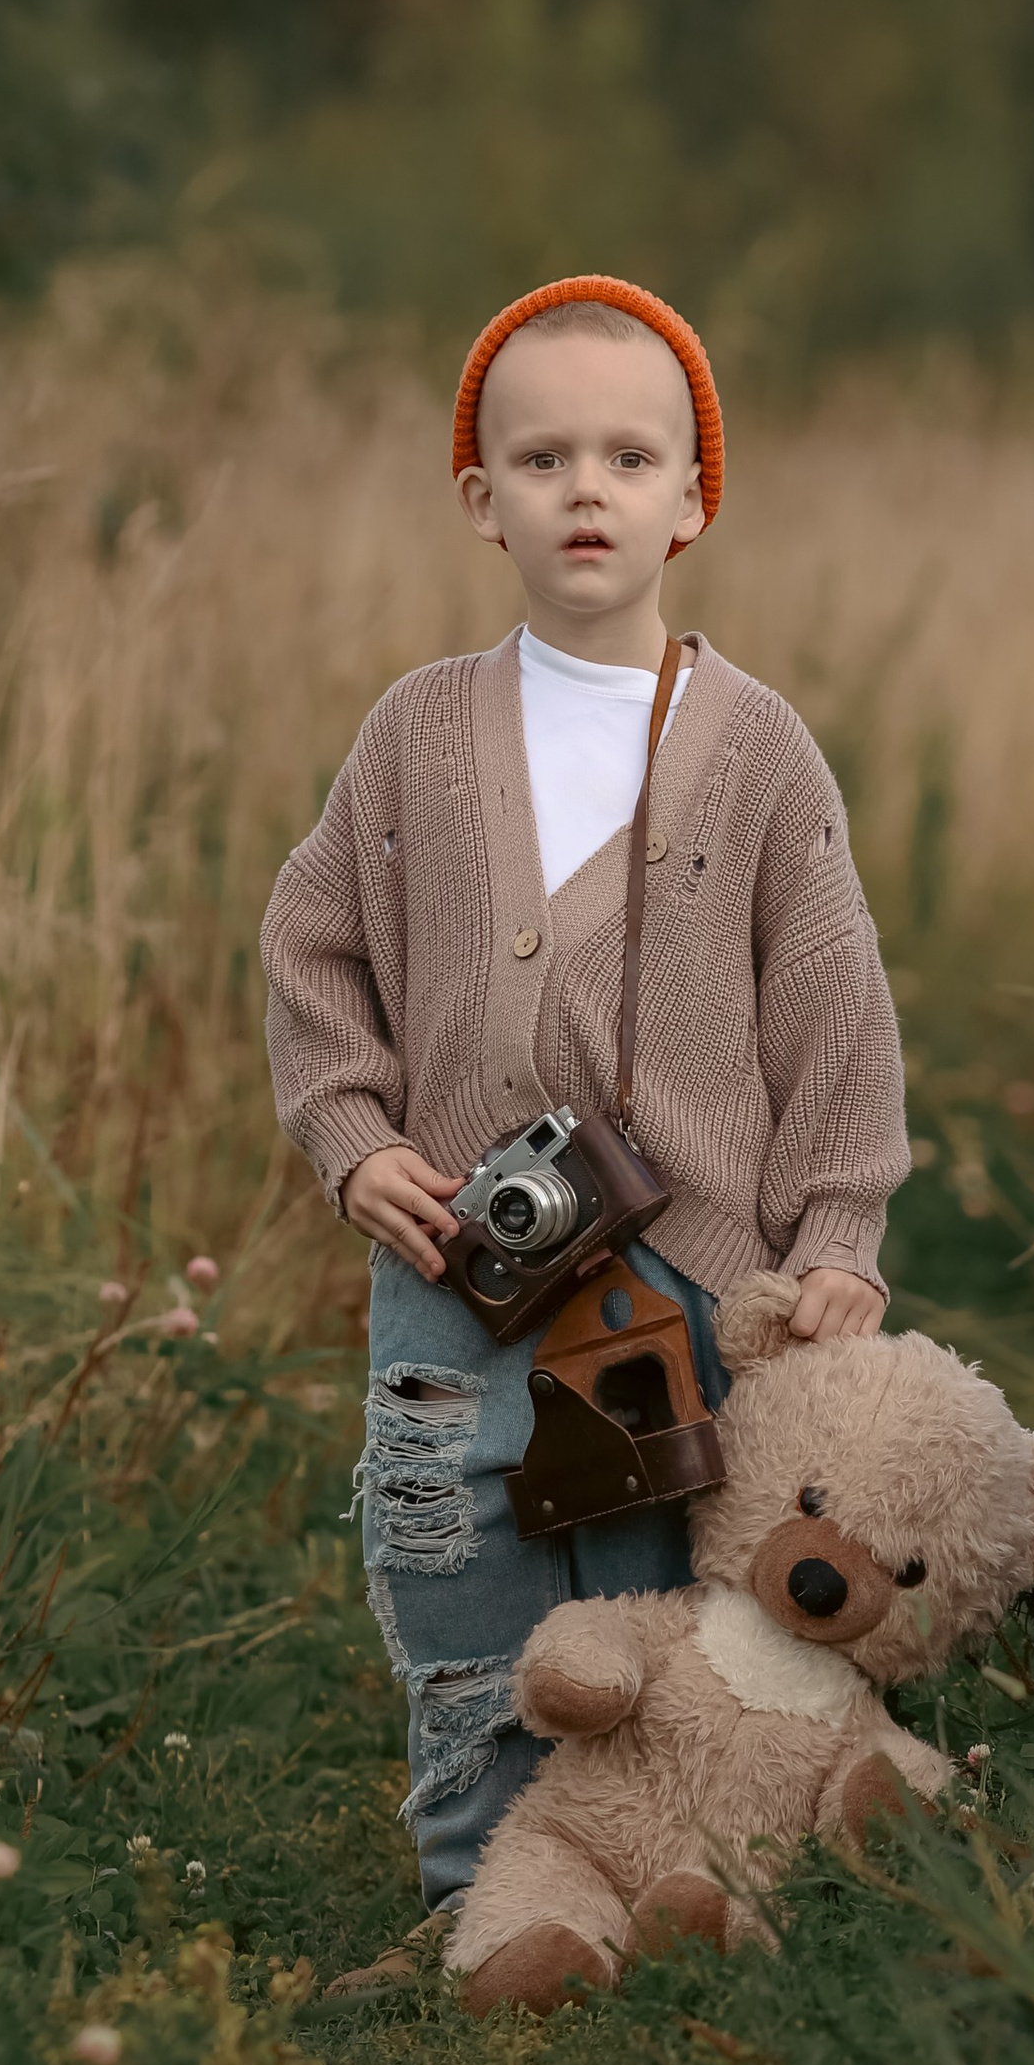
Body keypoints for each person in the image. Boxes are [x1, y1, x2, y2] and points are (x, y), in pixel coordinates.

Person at [260, 275, 908, 1911]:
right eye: (542, 460)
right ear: (483, 502)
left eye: (631, 457)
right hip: (450, 1251)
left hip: (690, 1249)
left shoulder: (757, 753)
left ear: (694, 497)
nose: (588, 491)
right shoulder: (417, 735)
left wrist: (836, 1224)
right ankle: (479, 1876)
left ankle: (681, 1862)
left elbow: (833, 1002)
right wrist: (353, 1140)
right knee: (454, 1542)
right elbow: (311, 944)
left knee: (652, 1572)